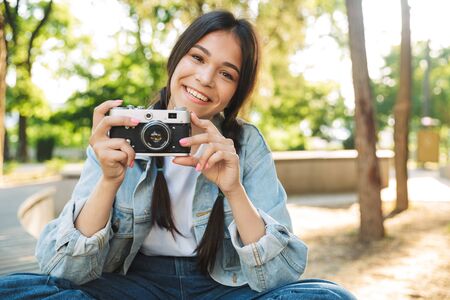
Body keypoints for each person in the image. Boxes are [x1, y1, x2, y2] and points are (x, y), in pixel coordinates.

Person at [0, 10, 356, 299]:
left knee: (327, 297)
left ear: (236, 90)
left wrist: (234, 189)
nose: (204, 78)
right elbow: (63, 269)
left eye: (226, 74)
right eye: (197, 57)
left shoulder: (244, 144)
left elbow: (278, 277)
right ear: (176, 59)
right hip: (135, 283)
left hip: (222, 286)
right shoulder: (122, 130)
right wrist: (109, 182)